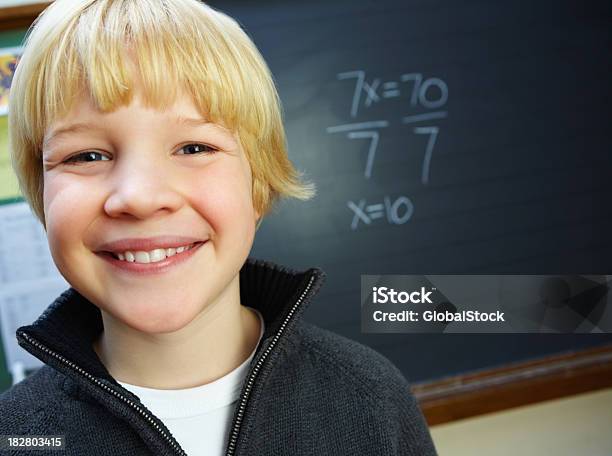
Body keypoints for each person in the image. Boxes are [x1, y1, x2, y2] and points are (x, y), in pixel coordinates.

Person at [0, 0, 438, 455]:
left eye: (193, 148)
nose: (141, 197)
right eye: (86, 156)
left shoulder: (370, 399)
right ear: (43, 195)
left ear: (260, 183)